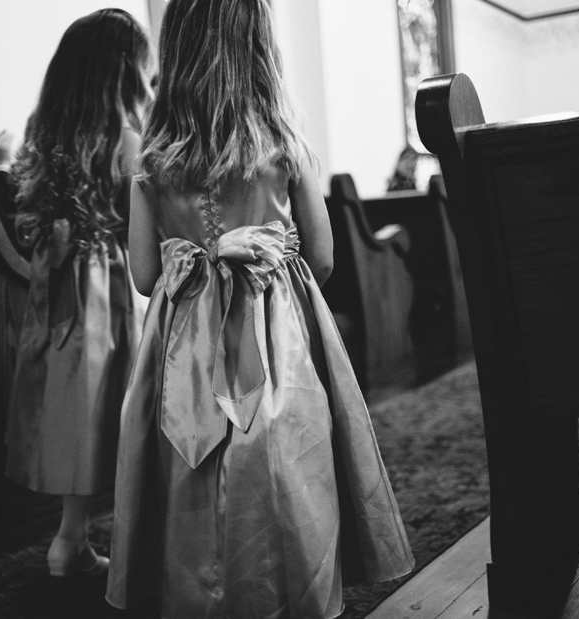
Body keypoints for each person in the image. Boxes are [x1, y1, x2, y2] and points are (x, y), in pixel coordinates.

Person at [105, 1, 414, 616]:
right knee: (282, 460)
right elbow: (323, 259)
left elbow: (143, 276)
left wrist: (192, 262)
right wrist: (265, 260)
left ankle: (192, 595)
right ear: (259, 49)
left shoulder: (149, 158)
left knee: (188, 472)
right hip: (274, 332)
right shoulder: (285, 143)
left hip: (183, 339)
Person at [3, 8, 155, 578]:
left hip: (58, 288)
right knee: (123, 406)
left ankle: (70, 537)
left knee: (76, 409)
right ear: (125, 72)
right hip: (111, 292)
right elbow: (144, 224)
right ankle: (140, 539)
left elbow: (28, 209)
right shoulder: (129, 140)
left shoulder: (43, 132)